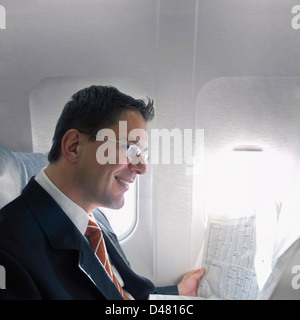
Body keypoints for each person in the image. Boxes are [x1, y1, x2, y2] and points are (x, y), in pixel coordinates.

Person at [0, 85, 205, 300]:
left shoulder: (95, 218)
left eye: (143, 154)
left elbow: (117, 290)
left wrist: (179, 294)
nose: (142, 167)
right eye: (131, 149)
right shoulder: (10, 250)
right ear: (74, 146)